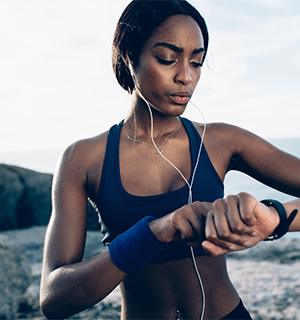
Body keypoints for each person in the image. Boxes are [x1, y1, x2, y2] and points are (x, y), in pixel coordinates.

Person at [40, 1, 300, 319]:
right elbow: (54, 298)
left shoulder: (224, 142)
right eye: (167, 59)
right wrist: (155, 232)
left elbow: (275, 215)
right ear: (129, 56)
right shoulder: (83, 159)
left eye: (197, 62)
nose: (186, 77)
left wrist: (274, 217)